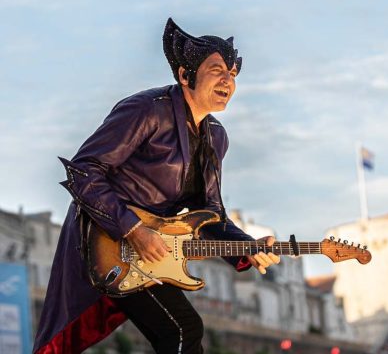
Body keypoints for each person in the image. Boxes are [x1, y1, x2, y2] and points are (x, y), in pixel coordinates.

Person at [33, 18, 280, 353]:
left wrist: (249, 247)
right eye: (217, 69)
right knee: (181, 330)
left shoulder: (216, 137)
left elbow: (209, 214)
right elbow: (84, 171)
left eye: (233, 73)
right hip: (106, 239)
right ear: (184, 74)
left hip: (151, 249)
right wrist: (132, 229)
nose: (228, 80)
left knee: (180, 332)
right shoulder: (146, 109)